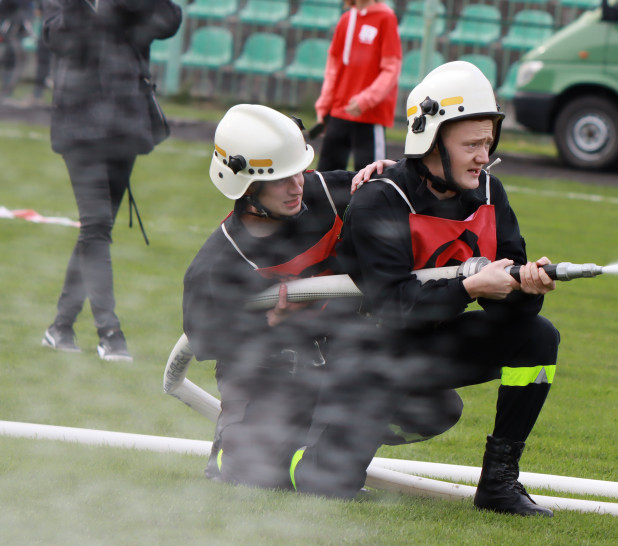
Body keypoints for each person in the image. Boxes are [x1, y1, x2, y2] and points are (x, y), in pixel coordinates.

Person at [298, 61, 561, 516]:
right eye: (472, 145)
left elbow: (510, 315)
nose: (484, 156)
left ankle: (499, 482)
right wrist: (471, 288)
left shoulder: (490, 194)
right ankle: (310, 430)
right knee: (325, 486)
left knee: (539, 339)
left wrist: (526, 289)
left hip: (423, 348)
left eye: (488, 143)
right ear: (431, 141)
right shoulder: (380, 199)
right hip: (362, 357)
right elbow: (393, 308)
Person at [183, 104, 460, 492]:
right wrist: (269, 322)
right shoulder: (216, 264)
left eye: (299, 170)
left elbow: (404, 196)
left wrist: (390, 182)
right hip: (267, 369)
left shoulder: (330, 193)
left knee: (436, 409)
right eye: (280, 179)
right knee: (249, 471)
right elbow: (206, 340)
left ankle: (321, 446)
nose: (297, 185)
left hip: (341, 353)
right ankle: (241, 447)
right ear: (245, 186)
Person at [39, 0, 182, 361]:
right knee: (97, 225)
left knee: (95, 231)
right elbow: (57, 36)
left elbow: (168, 21)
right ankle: (110, 331)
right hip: (78, 126)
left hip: (125, 127)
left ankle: (60, 327)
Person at [314, 0, 401, 172]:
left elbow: (391, 68)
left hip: (369, 115)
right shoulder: (345, 19)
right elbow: (333, 68)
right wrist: (325, 105)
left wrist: (367, 99)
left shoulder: (386, 17)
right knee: (325, 176)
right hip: (339, 111)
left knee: (372, 178)